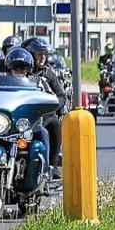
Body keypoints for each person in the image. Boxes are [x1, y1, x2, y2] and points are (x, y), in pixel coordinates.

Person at [24, 36, 68, 172]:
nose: (42, 57)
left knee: (55, 124)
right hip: (23, 114)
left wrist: (52, 106)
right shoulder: (21, 73)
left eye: (44, 54)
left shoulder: (49, 74)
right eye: (39, 54)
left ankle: (52, 166)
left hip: (45, 114)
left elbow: (61, 95)